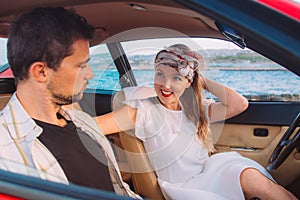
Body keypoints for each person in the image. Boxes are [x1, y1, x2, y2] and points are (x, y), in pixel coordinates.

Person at [96, 44, 297, 200]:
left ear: (188, 82)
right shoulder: (142, 110)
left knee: (268, 187)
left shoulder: (194, 109)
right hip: (186, 186)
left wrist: (199, 77)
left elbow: (240, 104)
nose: (165, 85)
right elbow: (92, 126)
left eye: (176, 77)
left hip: (212, 170)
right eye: (160, 75)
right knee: (261, 188)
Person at [0, 7, 140, 198]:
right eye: (81, 65)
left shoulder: (82, 121)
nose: (90, 74)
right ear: (41, 72)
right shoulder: (5, 150)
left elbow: (118, 189)